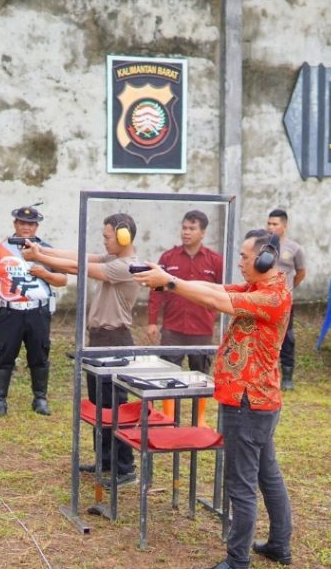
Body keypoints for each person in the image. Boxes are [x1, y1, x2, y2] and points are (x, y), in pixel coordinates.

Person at [133, 231, 293, 569]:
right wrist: (169, 279)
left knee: (241, 485)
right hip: (257, 401)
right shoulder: (257, 288)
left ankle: (237, 561)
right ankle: (279, 545)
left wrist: (171, 283)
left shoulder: (272, 296)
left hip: (248, 402)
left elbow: (219, 302)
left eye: (245, 256)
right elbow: (214, 290)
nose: (240, 262)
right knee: (267, 475)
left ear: (265, 258)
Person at [22, 213, 140, 485]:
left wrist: (40, 257)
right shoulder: (113, 259)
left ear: (123, 237)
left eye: (108, 236)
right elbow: (80, 256)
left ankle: (125, 468)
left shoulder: (126, 266)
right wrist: (42, 250)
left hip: (115, 341)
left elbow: (78, 267)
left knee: (115, 407)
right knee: (100, 406)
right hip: (100, 340)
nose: (104, 241)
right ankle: (106, 461)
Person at [0, 204, 68, 417]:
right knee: (4, 353)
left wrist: (45, 274)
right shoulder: (1, 249)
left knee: (39, 354)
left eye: (31, 224)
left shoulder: (45, 250)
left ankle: (40, 398)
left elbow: (62, 280)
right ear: (15, 224)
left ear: (37, 227)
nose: (27, 227)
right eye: (23, 223)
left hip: (38, 312)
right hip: (10, 312)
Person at [146, 210, 224, 418]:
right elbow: (155, 290)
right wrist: (152, 321)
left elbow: (223, 291)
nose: (186, 232)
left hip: (202, 329)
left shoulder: (215, 261)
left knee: (200, 376)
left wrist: (215, 314)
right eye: (184, 228)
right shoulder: (168, 258)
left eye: (192, 228)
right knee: (168, 373)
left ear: (203, 233)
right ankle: (169, 418)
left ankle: (199, 419)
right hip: (173, 328)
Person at [266, 209, 306, 390]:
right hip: (264, 299)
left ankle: (287, 378)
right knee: (264, 336)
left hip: (284, 302)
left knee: (286, 338)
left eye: (275, 224)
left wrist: (288, 289)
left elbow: (301, 273)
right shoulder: (262, 246)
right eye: (269, 223)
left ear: (285, 226)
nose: (271, 227)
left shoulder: (294, 248)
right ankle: (265, 374)